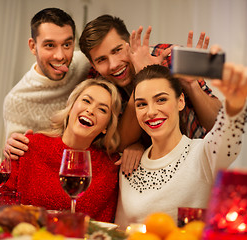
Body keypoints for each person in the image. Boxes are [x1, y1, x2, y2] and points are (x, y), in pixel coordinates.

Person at [114, 56, 247, 229]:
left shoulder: (203, 154)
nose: (151, 112)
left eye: (161, 100)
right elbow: (120, 230)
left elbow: (230, 135)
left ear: (180, 102)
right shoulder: (130, 165)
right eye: (141, 104)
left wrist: (235, 101)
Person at [79, 15, 222, 173]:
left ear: (130, 44)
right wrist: (143, 78)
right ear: (93, 64)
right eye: (101, 60)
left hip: (198, 162)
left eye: (117, 50)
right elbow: (118, 142)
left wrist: (191, 85)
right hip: (149, 170)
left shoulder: (168, 56)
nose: (113, 65)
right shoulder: (97, 81)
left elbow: (219, 123)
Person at [0, 79, 122, 223]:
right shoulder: (28, 146)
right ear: (71, 106)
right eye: (86, 101)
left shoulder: (110, 167)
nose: (90, 110)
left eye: (102, 109)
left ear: (107, 126)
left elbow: (102, 228)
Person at [3, 8, 91, 141]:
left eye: (67, 44)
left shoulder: (85, 63)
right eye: (50, 45)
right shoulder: (17, 100)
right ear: (33, 46)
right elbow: (17, 156)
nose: (60, 56)